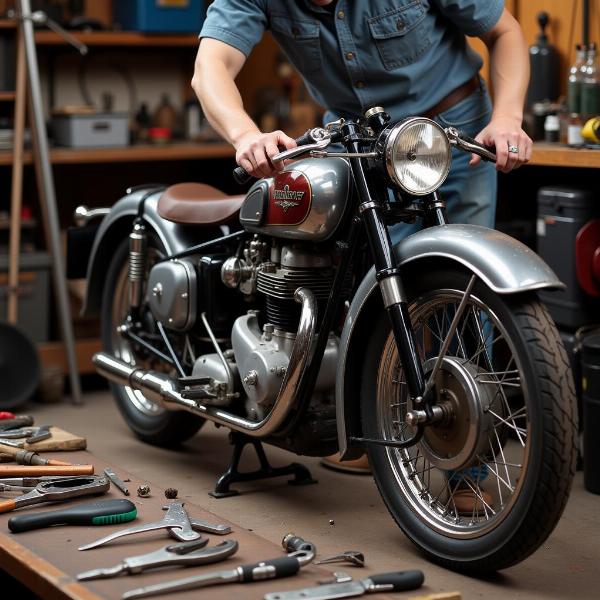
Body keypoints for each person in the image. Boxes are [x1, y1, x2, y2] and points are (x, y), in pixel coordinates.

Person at [191, 1, 531, 491]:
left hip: (444, 134)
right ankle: (382, 435)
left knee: (462, 296)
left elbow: (505, 31)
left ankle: (471, 466)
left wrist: (507, 117)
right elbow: (211, 68)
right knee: (372, 291)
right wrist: (245, 134)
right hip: (358, 142)